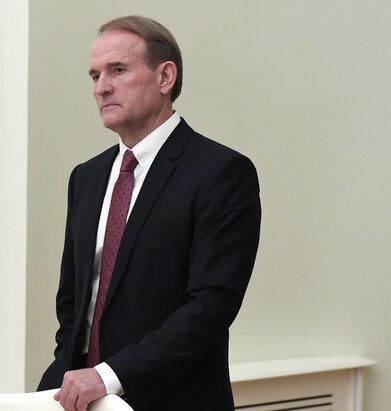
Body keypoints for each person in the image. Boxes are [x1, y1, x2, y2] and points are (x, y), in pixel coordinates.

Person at [37, 15, 262, 411]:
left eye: (118, 70)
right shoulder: (86, 177)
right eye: (95, 76)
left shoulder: (221, 172)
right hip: (80, 400)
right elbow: (73, 306)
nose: (101, 87)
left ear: (165, 77)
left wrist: (109, 376)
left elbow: (209, 308)